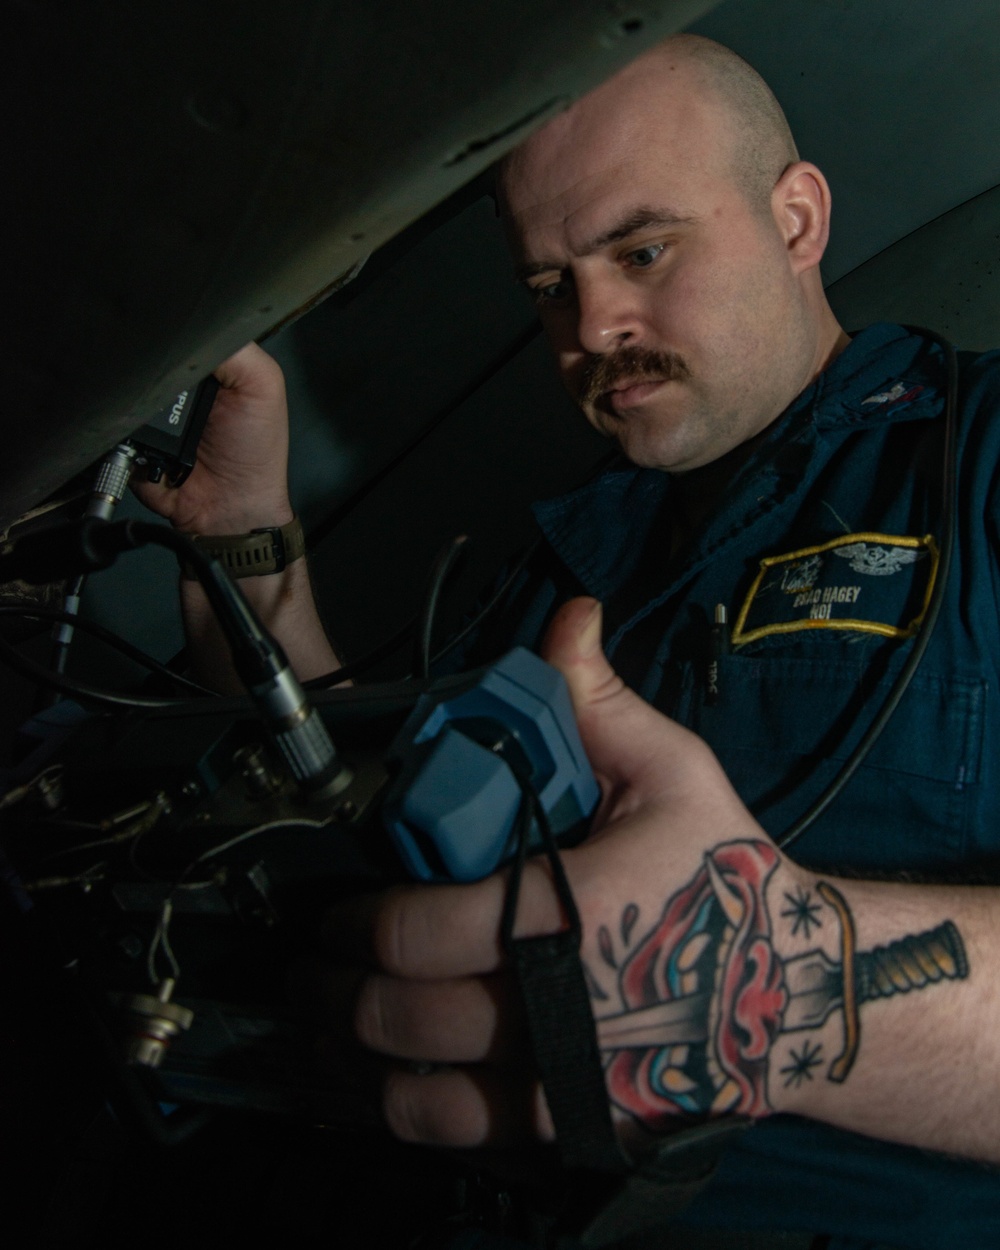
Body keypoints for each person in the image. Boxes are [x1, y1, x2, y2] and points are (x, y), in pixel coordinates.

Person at [138, 34, 1000, 1250]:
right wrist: (242, 540)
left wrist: (779, 984)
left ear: (796, 219)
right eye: (548, 285)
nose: (592, 324)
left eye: (642, 250)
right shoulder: (558, 562)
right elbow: (333, 794)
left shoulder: (978, 460)